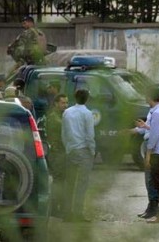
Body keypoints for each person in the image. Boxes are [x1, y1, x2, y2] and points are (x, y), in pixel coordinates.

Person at [136, 86, 159, 223]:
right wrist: (145, 127)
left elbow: (155, 135)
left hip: (158, 152)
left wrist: (149, 154)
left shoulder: (157, 113)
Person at [61, 89, 96, 222]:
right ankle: (78, 213)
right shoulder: (87, 114)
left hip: (71, 149)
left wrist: (67, 147)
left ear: (75, 97)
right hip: (84, 150)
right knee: (82, 184)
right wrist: (92, 151)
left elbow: (63, 133)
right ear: (87, 99)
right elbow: (90, 135)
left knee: (69, 182)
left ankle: (67, 213)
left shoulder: (67, 112)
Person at [45, 94, 69, 216]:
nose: (65, 105)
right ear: (56, 103)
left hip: (62, 152)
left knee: (62, 180)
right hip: (57, 152)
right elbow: (65, 127)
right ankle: (55, 208)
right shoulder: (54, 117)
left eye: (66, 103)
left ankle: (59, 207)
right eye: (63, 103)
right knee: (58, 181)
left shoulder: (61, 115)